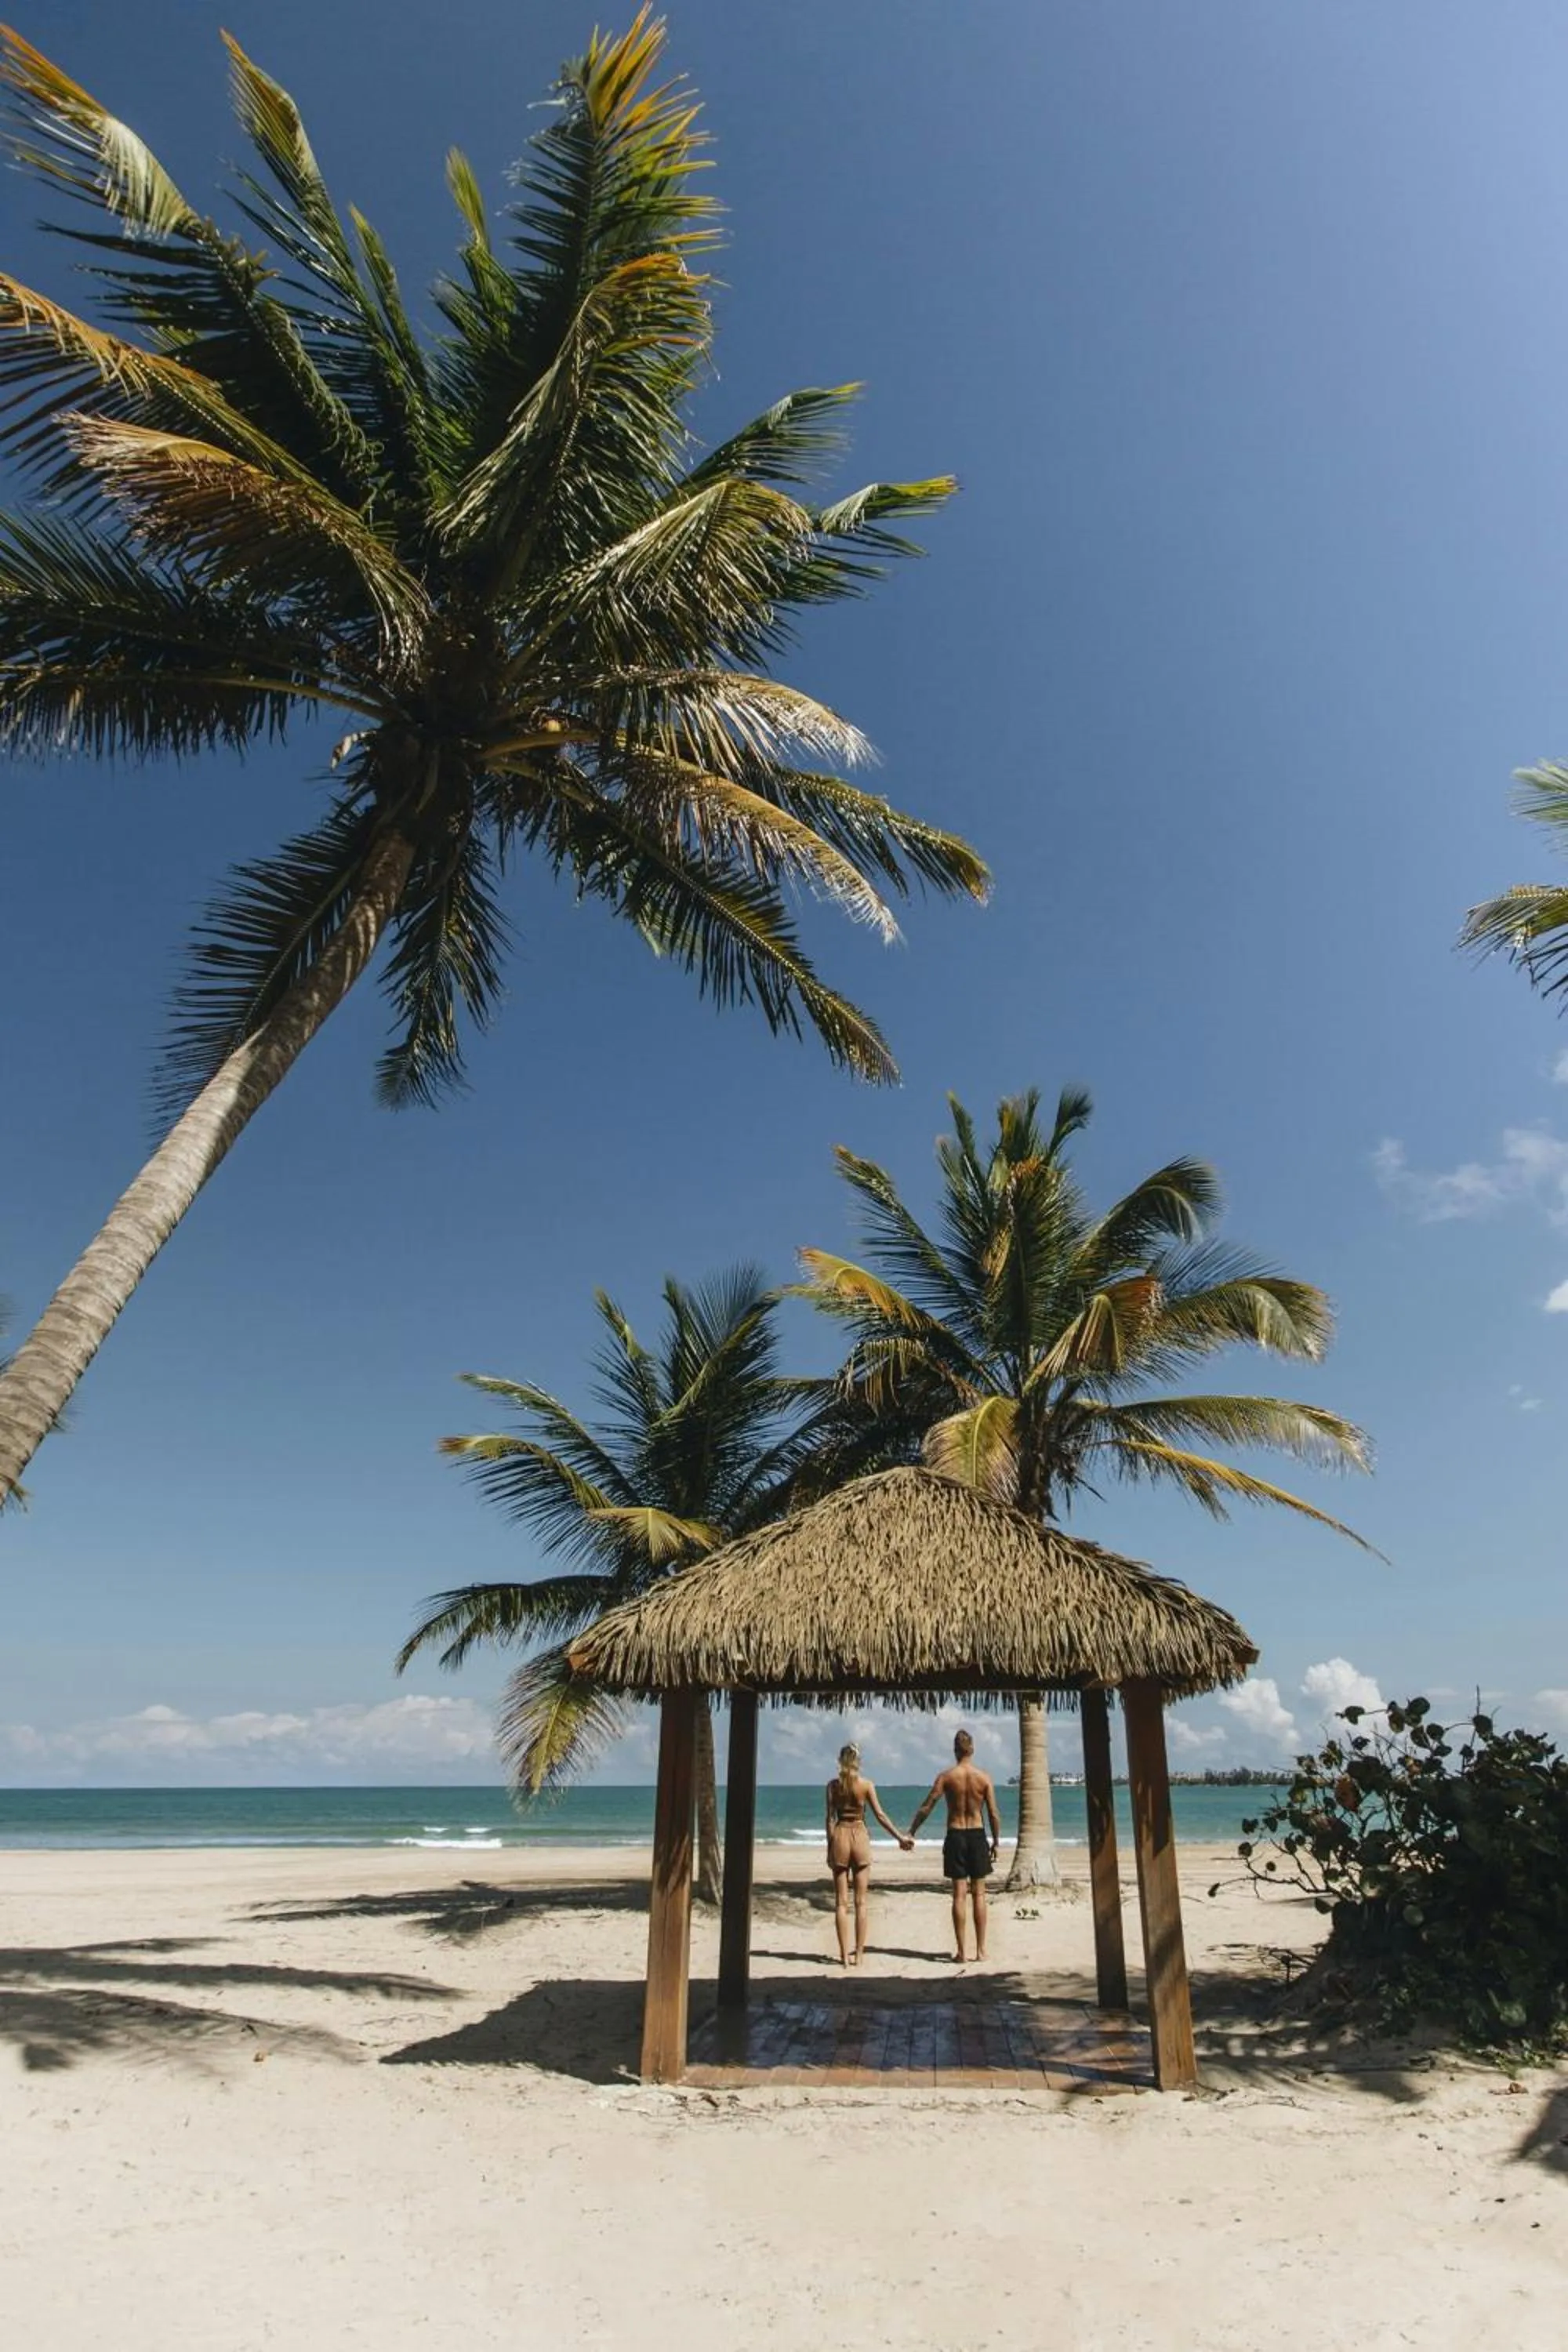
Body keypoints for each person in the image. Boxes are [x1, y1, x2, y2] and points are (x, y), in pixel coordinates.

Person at [908, 1729, 1002, 1962]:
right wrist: (997, 1841)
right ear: (972, 1749)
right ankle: (981, 1951)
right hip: (977, 1835)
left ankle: (961, 1952)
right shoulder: (984, 1778)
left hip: (956, 1835)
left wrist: (912, 1831)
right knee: (979, 1895)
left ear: (955, 1750)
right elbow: (993, 1813)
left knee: (959, 1896)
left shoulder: (947, 1777)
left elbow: (928, 1805)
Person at [824, 1743, 913, 1967]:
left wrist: (830, 1847)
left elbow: (830, 1819)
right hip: (860, 1835)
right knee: (861, 1902)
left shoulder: (833, 1786)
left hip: (841, 1836)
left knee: (841, 1904)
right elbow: (881, 1816)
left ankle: (844, 1956)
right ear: (858, 1762)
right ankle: (860, 1955)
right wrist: (900, 1838)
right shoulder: (865, 1785)